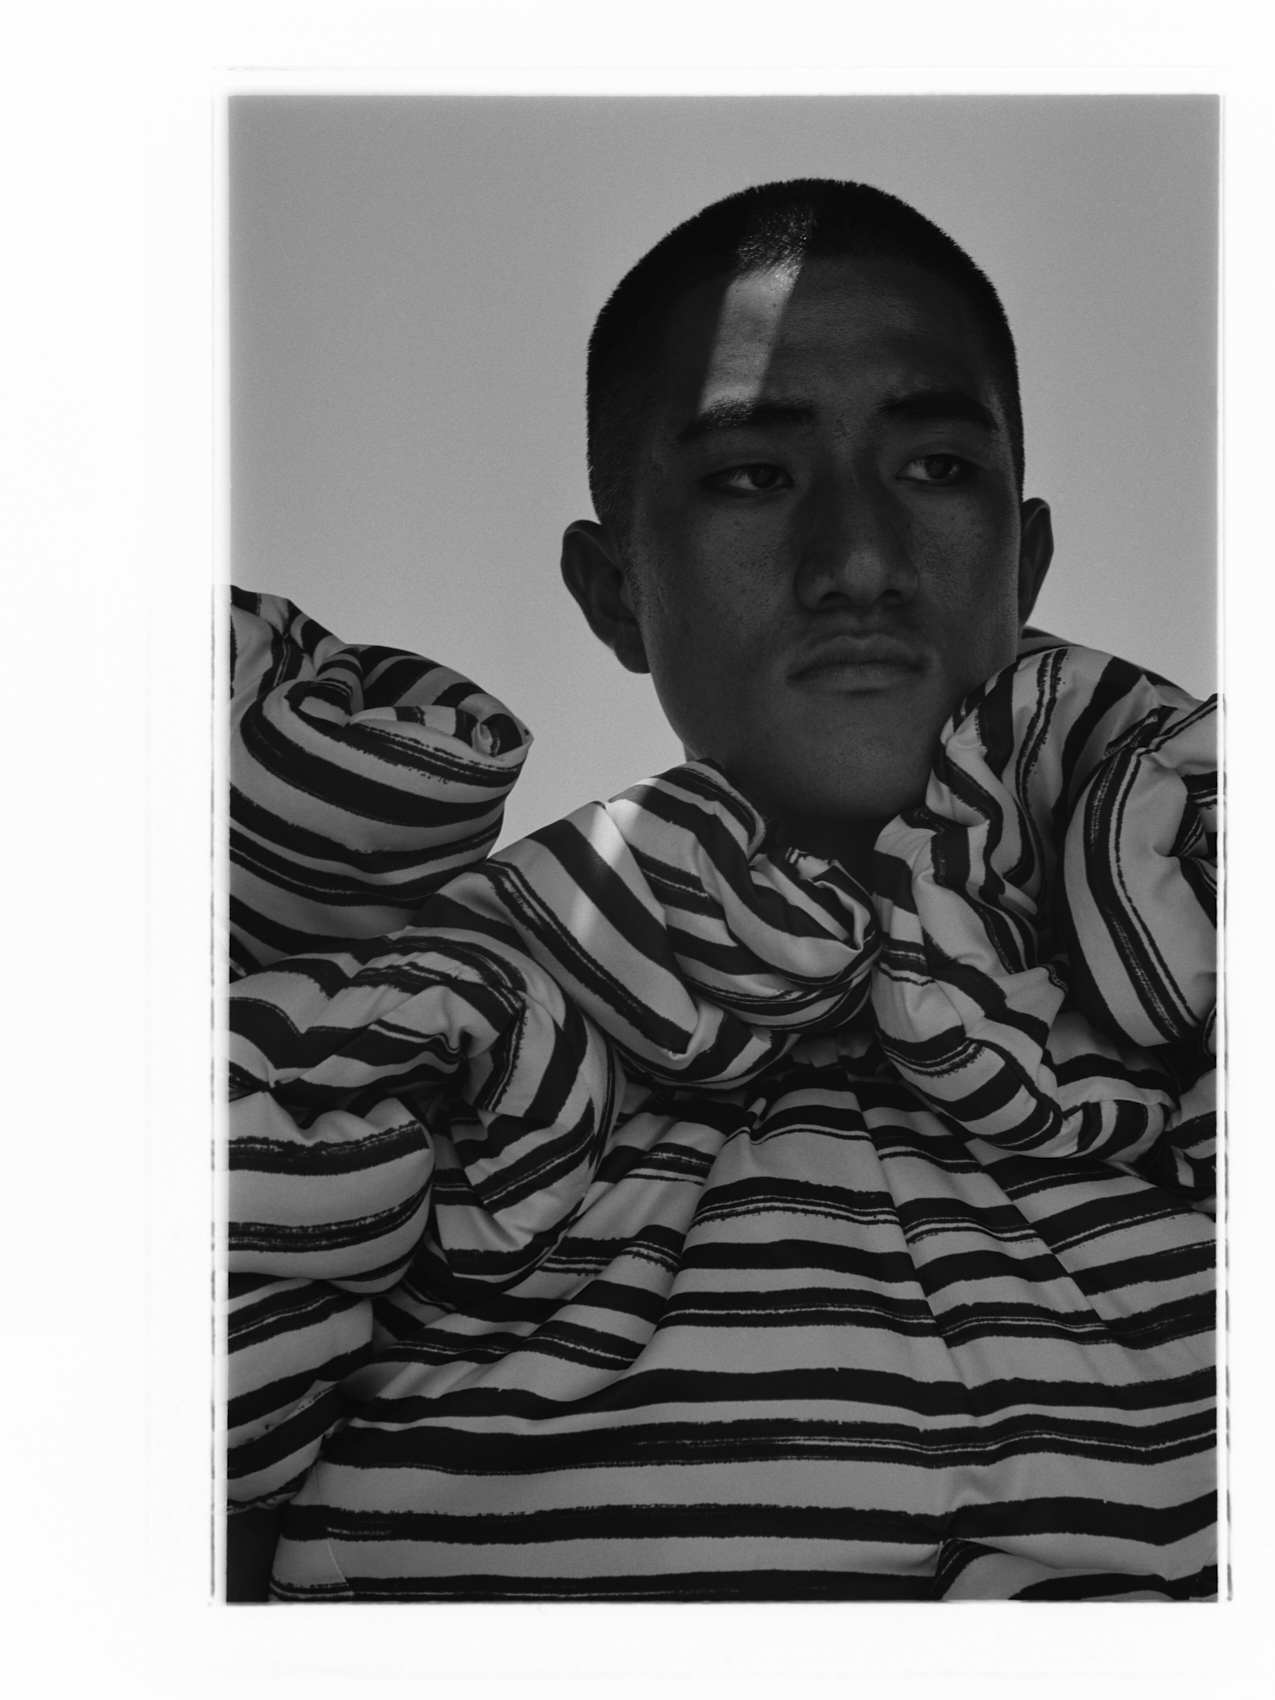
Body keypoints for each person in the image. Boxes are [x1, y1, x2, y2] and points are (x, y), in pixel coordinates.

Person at [224, 180, 1216, 1601]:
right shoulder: (419, 1090)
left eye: (937, 465)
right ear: (613, 588)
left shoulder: (1208, 1034)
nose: (860, 562)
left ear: (1027, 553)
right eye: (754, 476)